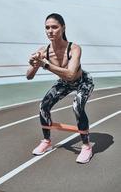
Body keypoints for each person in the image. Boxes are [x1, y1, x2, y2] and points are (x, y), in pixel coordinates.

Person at [26, 13, 94, 163]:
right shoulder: (43, 51)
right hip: (64, 83)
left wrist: (45, 64)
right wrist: (34, 63)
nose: (50, 31)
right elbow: (29, 76)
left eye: (54, 27)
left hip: (83, 81)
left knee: (77, 106)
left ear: (63, 28)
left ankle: (86, 146)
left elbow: (70, 74)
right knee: (43, 106)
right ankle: (46, 141)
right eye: (47, 28)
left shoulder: (74, 48)